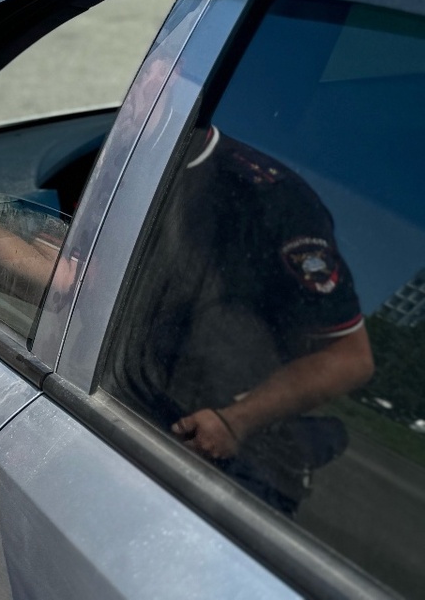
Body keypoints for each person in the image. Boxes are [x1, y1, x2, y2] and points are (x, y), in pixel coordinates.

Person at [109, 124, 374, 514]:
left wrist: (234, 422)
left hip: (230, 465)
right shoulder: (127, 165)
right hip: (133, 409)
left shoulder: (273, 199)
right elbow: (83, 279)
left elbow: (350, 357)